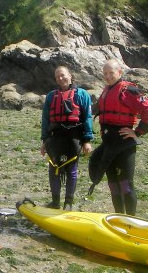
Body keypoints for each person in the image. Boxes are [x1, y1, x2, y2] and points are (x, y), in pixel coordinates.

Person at [89, 59, 148, 216]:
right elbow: (97, 109)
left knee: (125, 185)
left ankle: (131, 219)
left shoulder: (128, 90)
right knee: (113, 185)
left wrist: (138, 132)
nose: (108, 76)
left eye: (111, 73)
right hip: (109, 144)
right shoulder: (106, 90)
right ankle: (119, 217)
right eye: (105, 73)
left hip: (124, 144)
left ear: (119, 72)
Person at [40, 66, 93, 210]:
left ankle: (68, 203)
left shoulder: (81, 94)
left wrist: (87, 140)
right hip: (55, 138)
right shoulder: (51, 96)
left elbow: (87, 117)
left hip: (73, 138)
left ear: (70, 75)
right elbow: (45, 120)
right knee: (54, 169)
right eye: (57, 77)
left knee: (72, 171)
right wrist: (44, 140)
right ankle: (55, 202)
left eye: (62, 75)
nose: (60, 78)